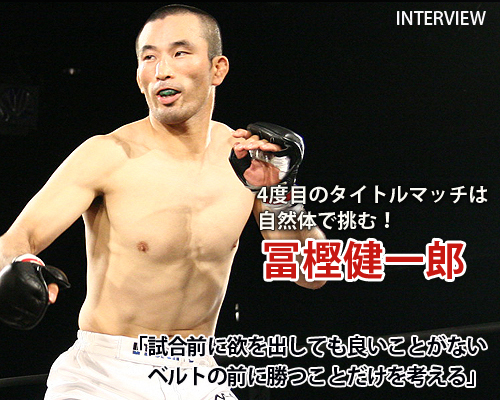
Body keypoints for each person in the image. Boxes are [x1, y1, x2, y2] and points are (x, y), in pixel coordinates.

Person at [0, 4, 326, 399]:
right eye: (149, 57)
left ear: (217, 69)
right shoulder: (108, 154)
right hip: (104, 374)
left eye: (180, 53)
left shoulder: (246, 160)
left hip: (197, 373)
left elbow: (312, 274)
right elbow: (15, 240)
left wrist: (280, 189)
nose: (162, 70)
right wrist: (19, 266)